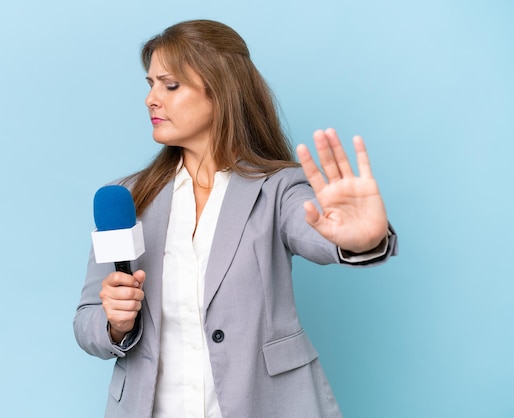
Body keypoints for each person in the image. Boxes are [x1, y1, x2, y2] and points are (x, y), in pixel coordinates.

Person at [74, 19, 398, 418]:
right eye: (150, 84)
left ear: (221, 90)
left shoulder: (277, 188)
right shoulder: (126, 198)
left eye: (170, 85)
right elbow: (87, 319)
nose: (151, 99)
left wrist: (360, 239)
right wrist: (113, 324)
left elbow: (312, 227)